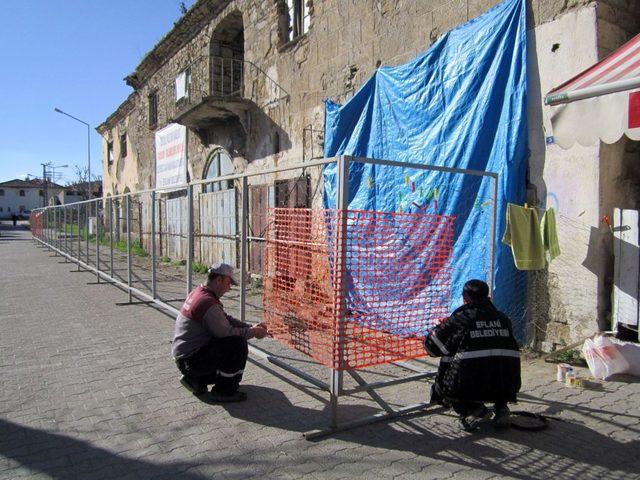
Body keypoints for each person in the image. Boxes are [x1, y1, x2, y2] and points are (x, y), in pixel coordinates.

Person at [424, 279, 521, 432]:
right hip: (508, 384)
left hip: (471, 383)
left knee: (448, 370)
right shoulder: (503, 318)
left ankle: (475, 410)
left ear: (465, 298)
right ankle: (502, 409)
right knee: (498, 363)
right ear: (487, 296)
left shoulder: (461, 318)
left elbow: (432, 347)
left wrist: (442, 326)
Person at [172, 262, 269, 402]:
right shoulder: (207, 302)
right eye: (228, 283)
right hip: (190, 360)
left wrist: (250, 326)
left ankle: (196, 380)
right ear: (219, 280)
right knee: (236, 344)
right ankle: (224, 391)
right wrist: (252, 332)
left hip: (186, 356)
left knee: (229, 342)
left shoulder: (201, 292)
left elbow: (224, 319)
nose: (229, 289)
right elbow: (225, 333)